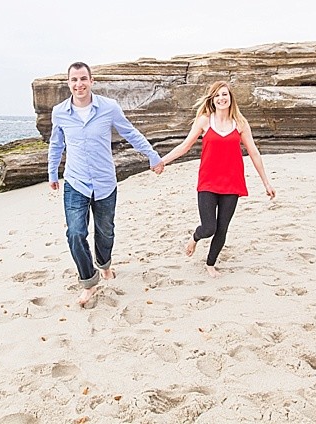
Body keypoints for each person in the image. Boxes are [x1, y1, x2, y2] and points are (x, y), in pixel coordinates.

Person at [48, 62, 164, 306]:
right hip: (75, 182)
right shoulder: (59, 112)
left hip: (104, 182)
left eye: (83, 79)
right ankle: (88, 282)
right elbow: (56, 144)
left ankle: (104, 264)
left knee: (105, 232)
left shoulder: (108, 108)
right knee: (75, 233)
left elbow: (130, 133)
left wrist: (152, 155)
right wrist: (52, 173)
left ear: (92, 81)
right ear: (68, 83)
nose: (78, 84)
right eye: (73, 80)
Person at [160, 81, 275, 277]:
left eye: (225, 95)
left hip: (232, 182)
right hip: (208, 181)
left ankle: (210, 264)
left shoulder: (240, 123)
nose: (222, 98)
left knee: (222, 229)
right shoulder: (205, 120)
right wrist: (162, 161)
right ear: (212, 99)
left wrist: (266, 182)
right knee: (208, 227)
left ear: (231, 98)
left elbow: (254, 152)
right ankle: (195, 238)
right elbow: (185, 146)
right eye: (217, 95)